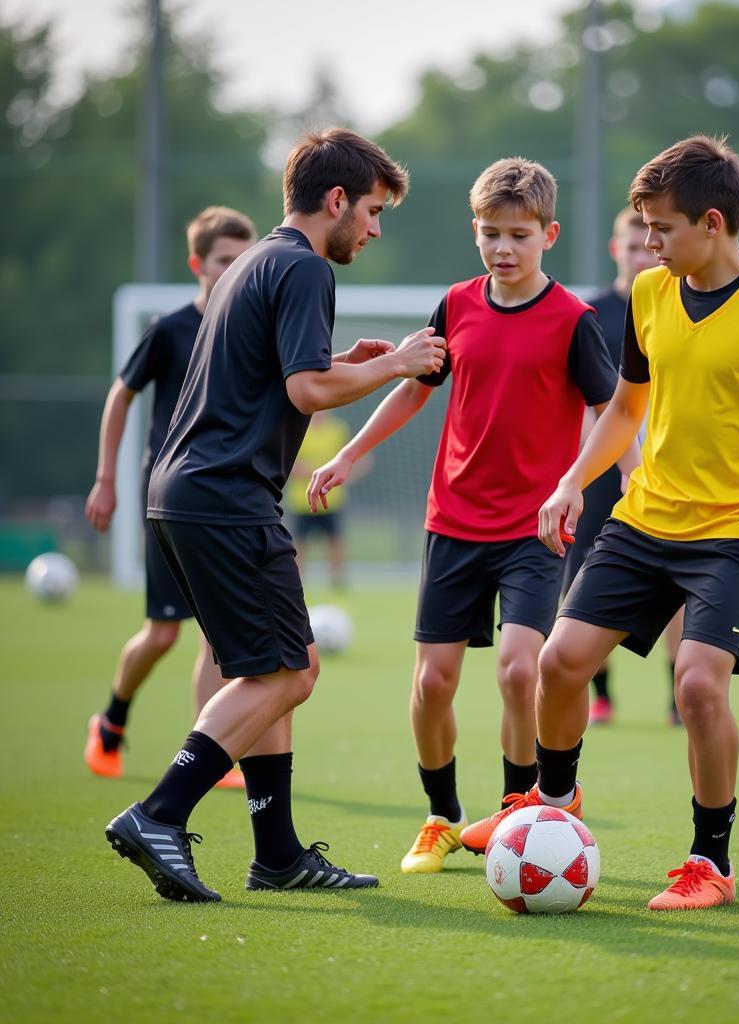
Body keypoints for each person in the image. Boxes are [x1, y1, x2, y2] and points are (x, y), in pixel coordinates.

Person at [463, 135, 739, 910]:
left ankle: (709, 862)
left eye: (661, 228)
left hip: (734, 535)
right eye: (644, 227)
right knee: (558, 663)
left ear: (711, 224)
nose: (648, 243)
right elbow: (625, 406)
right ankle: (556, 802)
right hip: (646, 520)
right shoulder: (649, 295)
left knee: (698, 686)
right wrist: (572, 481)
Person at [104, 127, 447, 903]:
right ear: (335, 201)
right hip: (226, 499)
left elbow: (286, 375)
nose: (374, 227)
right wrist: (396, 363)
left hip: (186, 495)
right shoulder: (303, 267)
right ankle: (159, 814)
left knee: (271, 669)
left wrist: (348, 366)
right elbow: (305, 392)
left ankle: (280, 855)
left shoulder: (256, 261)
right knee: (292, 672)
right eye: (371, 210)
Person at [307, 157, 621, 874]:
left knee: (520, 669)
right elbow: (415, 391)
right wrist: (350, 454)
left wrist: (581, 481)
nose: (503, 249)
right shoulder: (455, 304)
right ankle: (443, 815)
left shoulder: (575, 320)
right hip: (452, 519)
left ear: (549, 233)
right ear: (474, 232)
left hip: (535, 526)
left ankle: (516, 810)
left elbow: (612, 413)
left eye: (518, 234)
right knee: (431, 684)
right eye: (490, 234)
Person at [84, 206, 256, 787]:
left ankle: (210, 751)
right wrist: (106, 478)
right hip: (167, 494)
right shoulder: (170, 329)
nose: (233, 271)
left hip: (220, 498)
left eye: (242, 261)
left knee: (215, 633)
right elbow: (120, 397)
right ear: (197, 265)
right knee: (162, 633)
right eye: (222, 262)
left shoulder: (248, 327)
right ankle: (111, 721)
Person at [567, 206, 682, 727]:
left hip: (670, 473)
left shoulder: (678, 306)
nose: (642, 254)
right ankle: (602, 694)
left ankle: (678, 696)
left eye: (649, 245)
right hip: (603, 473)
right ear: (618, 249)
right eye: (631, 246)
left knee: (678, 585)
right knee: (587, 579)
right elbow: (587, 402)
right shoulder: (590, 315)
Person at [286, 410, 362, 589]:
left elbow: (351, 458)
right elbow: (288, 462)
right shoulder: (299, 428)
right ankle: (296, 585)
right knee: (298, 545)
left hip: (331, 499)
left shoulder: (338, 429)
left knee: (335, 542)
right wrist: (305, 470)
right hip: (302, 500)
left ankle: (338, 583)